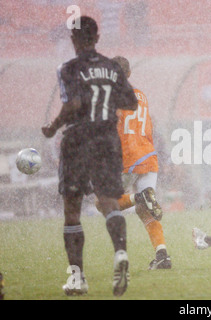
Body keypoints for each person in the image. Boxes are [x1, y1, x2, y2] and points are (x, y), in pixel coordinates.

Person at [41, 16, 138, 296]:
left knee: (72, 209)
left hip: (78, 140)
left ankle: (77, 277)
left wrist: (53, 127)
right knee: (109, 201)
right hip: (107, 139)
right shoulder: (111, 66)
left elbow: (73, 105)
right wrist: (107, 99)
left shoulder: (69, 68)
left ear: (73, 40)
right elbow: (130, 102)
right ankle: (120, 252)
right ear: (97, 38)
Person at [109, 56, 171, 270]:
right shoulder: (141, 96)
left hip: (128, 157)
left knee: (103, 204)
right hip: (148, 155)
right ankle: (162, 255)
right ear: (129, 74)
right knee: (144, 211)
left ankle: (139, 196)